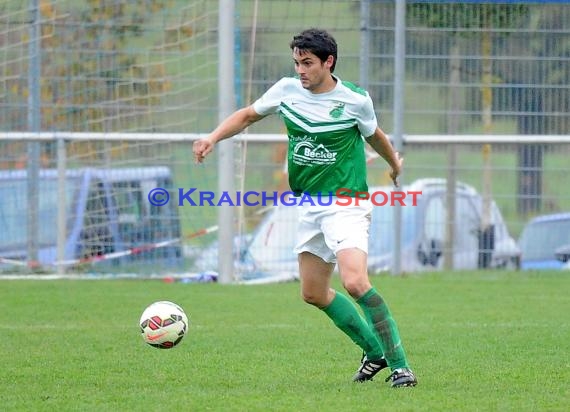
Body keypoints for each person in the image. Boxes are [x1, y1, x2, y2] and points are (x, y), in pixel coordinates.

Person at [193, 28, 417, 387]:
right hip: (309, 206)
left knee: (356, 282)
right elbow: (248, 115)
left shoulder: (355, 100)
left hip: (347, 204)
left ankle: (400, 365)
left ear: (329, 62)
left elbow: (375, 135)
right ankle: (373, 352)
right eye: (297, 62)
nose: (301, 70)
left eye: (308, 63)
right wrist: (212, 137)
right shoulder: (286, 91)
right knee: (312, 292)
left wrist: (394, 164)